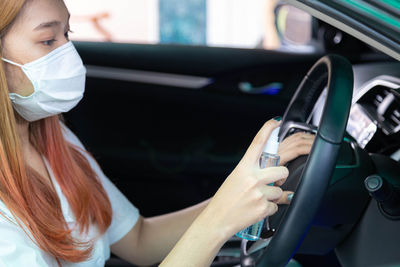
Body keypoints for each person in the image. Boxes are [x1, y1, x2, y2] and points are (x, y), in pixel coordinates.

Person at [0, 0, 315, 266]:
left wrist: (243, 186)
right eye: (47, 40)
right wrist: (219, 220)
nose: (69, 52)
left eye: (67, 33)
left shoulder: (57, 142)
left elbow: (140, 241)